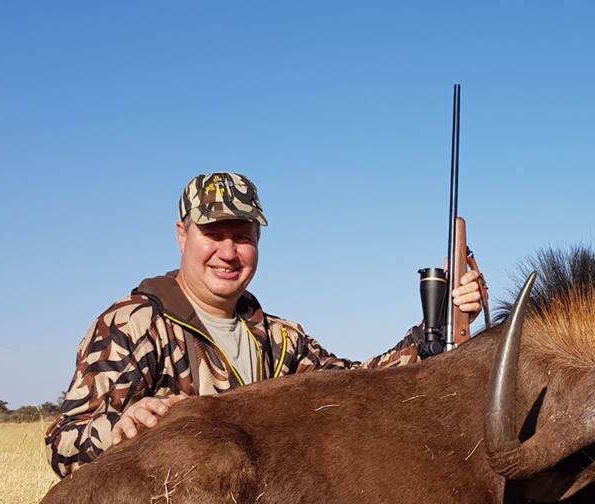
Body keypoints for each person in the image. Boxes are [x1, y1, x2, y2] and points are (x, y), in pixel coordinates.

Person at [46, 172, 488, 478]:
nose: (228, 252)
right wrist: (120, 427)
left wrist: (438, 328)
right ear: (183, 235)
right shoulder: (133, 324)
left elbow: (359, 386)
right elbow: (63, 444)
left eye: (242, 237)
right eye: (214, 235)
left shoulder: (281, 339)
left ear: (258, 242)